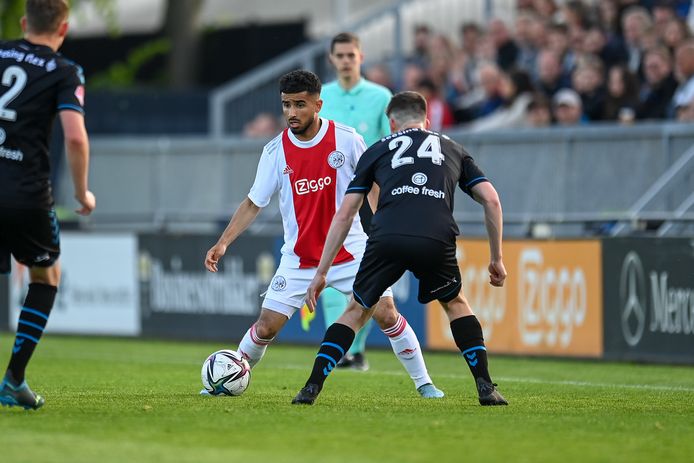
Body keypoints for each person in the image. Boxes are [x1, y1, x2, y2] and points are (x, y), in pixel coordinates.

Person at [204, 70, 443, 399]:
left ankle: (425, 384)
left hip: (352, 251)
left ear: (318, 104)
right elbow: (253, 202)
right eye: (286, 105)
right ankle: (225, 381)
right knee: (266, 327)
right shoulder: (275, 152)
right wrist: (223, 242)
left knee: (387, 314)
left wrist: (387, 227)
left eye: (299, 105)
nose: (291, 113)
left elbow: (373, 187)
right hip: (300, 258)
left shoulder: (347, 140)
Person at [292, 91, 508, 406]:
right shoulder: (453, 148)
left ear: (391, 122)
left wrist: (321, 272)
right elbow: (491, 200)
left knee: (355, 310)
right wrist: (496, 258)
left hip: (387, 236)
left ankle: (311, 388)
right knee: (455, 304)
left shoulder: (377, 149)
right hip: (436, 236)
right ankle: (486, 388)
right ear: (427, 120)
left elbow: (346, 213)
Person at [0, 0, 95, 410]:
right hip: (26, 192)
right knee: (44, 276)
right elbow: (74, 137)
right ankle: (13, 380)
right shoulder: (64, 71)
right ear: (64, 28)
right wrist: (82, 192)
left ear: (24, 23)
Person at [318, 32, 393, 371]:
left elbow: (391, 145)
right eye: (340, 55)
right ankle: (343, 350)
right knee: (329, 271)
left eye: (351, 54)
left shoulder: (381, 97)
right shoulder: (321, 97)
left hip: (370, 194)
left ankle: (355, 349)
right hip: (328, 196)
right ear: (332, 59)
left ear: (361, 57)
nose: (346, 60)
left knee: (367, 270)